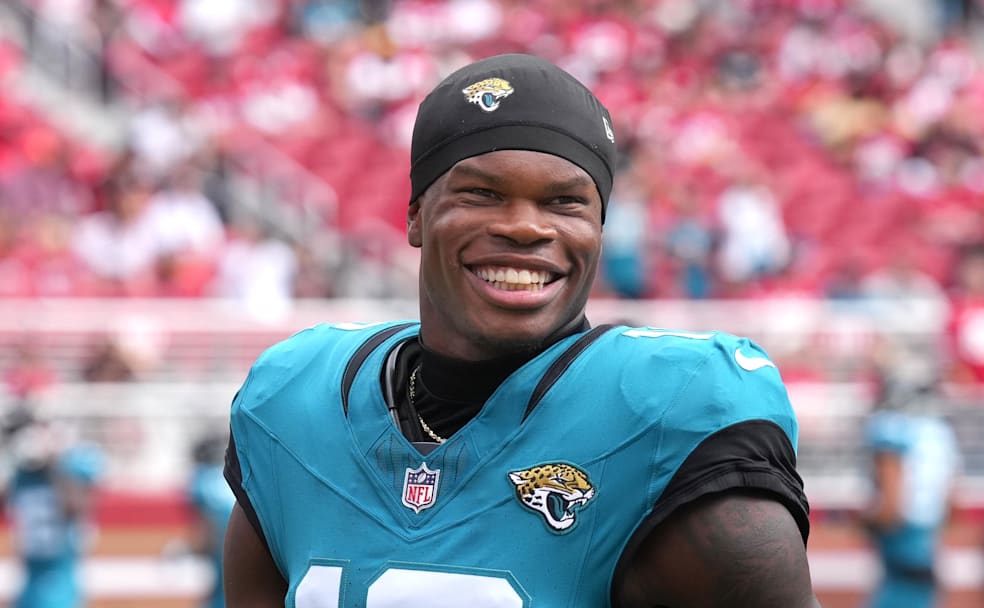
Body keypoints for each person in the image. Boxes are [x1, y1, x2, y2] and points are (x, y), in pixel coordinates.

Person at [223, 53, 819, 607]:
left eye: (564, 203)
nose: (526, 227)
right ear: (414, 215)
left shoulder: (665, 409)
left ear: (600, 229)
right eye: (483, 193)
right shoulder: (297, 403)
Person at [859, 353, 962, 608]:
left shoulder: (891, 427)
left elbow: (892, 508)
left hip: (903, 540)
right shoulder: (940, 432)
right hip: (926, 540)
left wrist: (862, 521)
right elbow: (953, 504)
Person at [2, 407, 104, 608]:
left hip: (60, 582)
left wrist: (52, 464)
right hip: (30, 583)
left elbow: (76, 507)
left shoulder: (71, 467)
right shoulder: (20, 477)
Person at [187, 432, 235, 608]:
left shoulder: (200, 481)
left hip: (224, 549)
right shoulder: (229, 476)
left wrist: (185, 550)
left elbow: (207, 536)